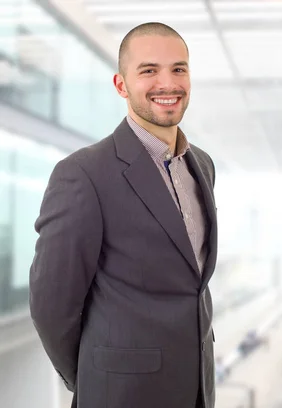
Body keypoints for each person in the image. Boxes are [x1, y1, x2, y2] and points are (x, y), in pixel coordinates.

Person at [29, 22, 218, 408]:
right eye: (149, 70)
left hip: (198, 389)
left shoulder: (203, 165)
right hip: (121, 395)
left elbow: (191, 284)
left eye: (178, 69)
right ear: (121, 85)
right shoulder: (83, 174)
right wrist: (94, 375)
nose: (168, 83)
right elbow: (51, 306)